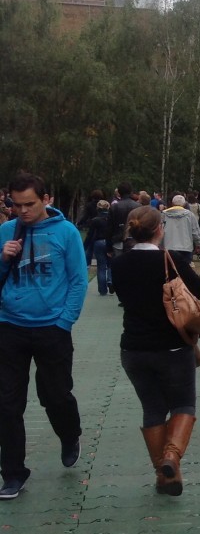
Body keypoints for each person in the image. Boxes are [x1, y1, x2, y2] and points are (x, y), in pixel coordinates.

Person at [0, 172, 88, 499]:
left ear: (46, 199)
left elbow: (79, 281)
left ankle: (69, 434)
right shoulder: (5, 233)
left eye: (29, 204)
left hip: (52, 327)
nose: (22, 211)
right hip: (10, 327)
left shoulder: (65, 233)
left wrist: (64, 322)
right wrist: (3, 257)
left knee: (55, 395)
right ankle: (12, 473)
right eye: (16, 204)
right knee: (7, 403)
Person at [110, 205, 200, 495]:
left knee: (152, 409)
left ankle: (165, 478)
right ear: (160, 230)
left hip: (134, 350)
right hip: (172, 347)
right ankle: (171, 457)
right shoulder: (171, 260)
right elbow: (199, 290)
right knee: (183, 405)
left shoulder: (119, 264)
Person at [162, 194, 200, 270]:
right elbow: (195, 231)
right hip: (186, 247)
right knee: (185, 271)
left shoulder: (164, 215)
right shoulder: (190, 215)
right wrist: (198, 243)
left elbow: (160, 230)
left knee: (170, 270)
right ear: (184, 204)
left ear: (172, 203)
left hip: (169, 246)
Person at [86, 200, 113, 295]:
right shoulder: (111, 219)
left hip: (98, 242)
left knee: (101, 267)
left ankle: (102, 290)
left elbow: (90, 234)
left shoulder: (95, 220)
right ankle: (110, 280)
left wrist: (85, 245)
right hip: (110, 242)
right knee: (110, 264)